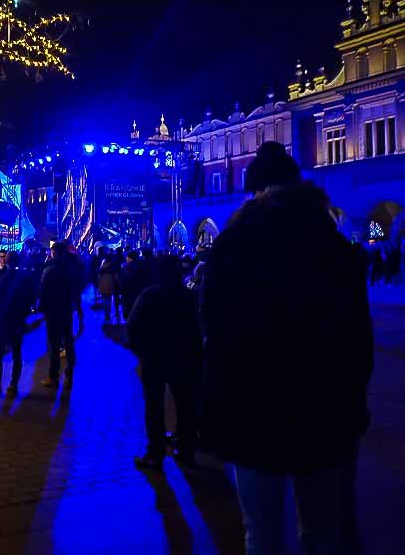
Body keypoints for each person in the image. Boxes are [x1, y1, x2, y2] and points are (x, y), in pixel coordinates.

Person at [202, 142, 373, 555]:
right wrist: (352, 404)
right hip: (324, 411)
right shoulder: (334, 249)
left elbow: (213, 330)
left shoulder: (232, 247)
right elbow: (358, 339)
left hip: (252, 412)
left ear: (254, 190)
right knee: (321, 531)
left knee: (261, 531)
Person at [127, 255, 203, 471]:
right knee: (185, 407)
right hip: (183, 358)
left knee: (154, 408)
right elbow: (197, 327)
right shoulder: (188, 296)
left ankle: (155, 453)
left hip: (155, 359)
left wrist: (141, 351)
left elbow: (133, 327)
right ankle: (186, 451)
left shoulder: (150, 296)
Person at [0, 252, 35, 397]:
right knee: (17, 353)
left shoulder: (5, 278)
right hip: (18, 320)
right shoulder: (26, 278)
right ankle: (13, 385)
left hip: (5, 320)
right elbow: (31, 298)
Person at [39, 241, 82, 389]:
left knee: (54, 343)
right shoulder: (72, 269)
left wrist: (41, 308)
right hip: (66, 309)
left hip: (52, 310)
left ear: (54, 253)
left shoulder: (50, 270)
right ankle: (70, 372)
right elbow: (76, 288)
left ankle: (53, 375)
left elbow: (43, 291)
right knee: (68, 341)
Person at [97, 254, 120, 324]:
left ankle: (106, 314)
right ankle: (108, 313)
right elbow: (116, 277)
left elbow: (98, 277)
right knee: (109, 300)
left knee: (104, 299)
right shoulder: (112, 267)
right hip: (110, 284)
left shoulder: (101, 267)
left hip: (102, 285)